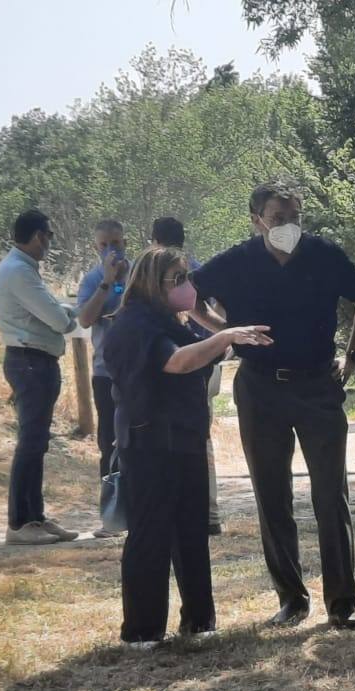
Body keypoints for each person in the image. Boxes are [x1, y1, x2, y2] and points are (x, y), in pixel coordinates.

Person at [189, 182, 355, 631]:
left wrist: (352, 356)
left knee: (330, 494)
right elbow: (188, 297)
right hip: (260, 389)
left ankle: (342, 603)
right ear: (256, 219)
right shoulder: (235, 262)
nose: (288, 227)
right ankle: (291, 599)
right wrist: (226, 334)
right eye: (278, 219)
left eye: (295, 217)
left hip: (318, 385)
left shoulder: (323, 254)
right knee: (271, 494)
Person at [103, 247, 272, 648]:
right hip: (149, 444)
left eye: (187, 278)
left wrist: (224, 331)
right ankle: (142, 630)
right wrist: (227, 335)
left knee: (191, 532)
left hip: (185, 440)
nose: (186, 287)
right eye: (177, 279)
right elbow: (177, 362)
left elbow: (203, 345)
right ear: (151, 282)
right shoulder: (134, 325)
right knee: (151, 535)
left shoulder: (170, 319)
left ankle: (199, 621)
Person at [0, 209, 81, 545]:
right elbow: (60, 321)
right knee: (30, 442)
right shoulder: (19, 272)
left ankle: (35, 517)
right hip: (30, 361)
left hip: (33, 360)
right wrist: (68, 317)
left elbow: (55, 312)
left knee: (37, 441)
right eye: (49, 237)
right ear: (39, 236)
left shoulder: (21, 269)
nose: (48, 244)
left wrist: (66, 314)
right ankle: (19, 522)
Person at [150, 216, 224, 536]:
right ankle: (207, 510)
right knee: (199, 436)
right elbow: (217, 308)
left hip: (182, 363)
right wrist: (222, 337)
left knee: (172, 438)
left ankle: (183, 509)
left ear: (153, 240)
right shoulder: (197, 267)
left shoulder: (158, 273)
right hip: (205, 359)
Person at [75, 220, 130, 536]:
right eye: (105, 245)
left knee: (139, 441)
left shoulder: (140, 272)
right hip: (106, 373)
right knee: (109, 443)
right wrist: (108, 283)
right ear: (96, 248)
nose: (113, 249)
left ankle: (141, 510)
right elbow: (84, 318)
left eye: (117, 243)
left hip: (138, 372)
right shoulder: (92, 280)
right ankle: (111, 517)